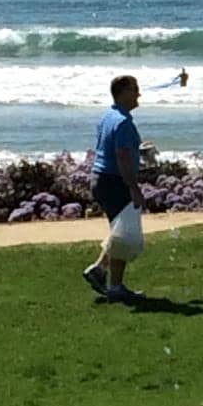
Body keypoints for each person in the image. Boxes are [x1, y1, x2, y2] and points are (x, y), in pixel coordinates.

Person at [83, 75, 145, 303]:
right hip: (115, 181)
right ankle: (114, 284)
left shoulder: (108, 117)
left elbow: (115, 148)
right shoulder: (123, 122)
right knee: (124, 236)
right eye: (134, 90)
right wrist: (133, 187)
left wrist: (139, 151)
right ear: (122, 93)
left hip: (100, 179)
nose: (139, 94)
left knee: (120, 232)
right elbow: (122, 156)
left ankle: (101, 272)